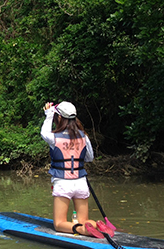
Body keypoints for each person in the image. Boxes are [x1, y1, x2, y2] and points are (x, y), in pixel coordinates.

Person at [40, 101, 111, 238]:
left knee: (59, 224)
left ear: (59, 118)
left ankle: (83, 230)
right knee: (84, 220)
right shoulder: (84, 136)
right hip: (81, 183)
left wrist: (48, 114)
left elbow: (44, 132)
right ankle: (96, 225)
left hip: (63, 183)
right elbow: (89, 158)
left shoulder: (54, 138)